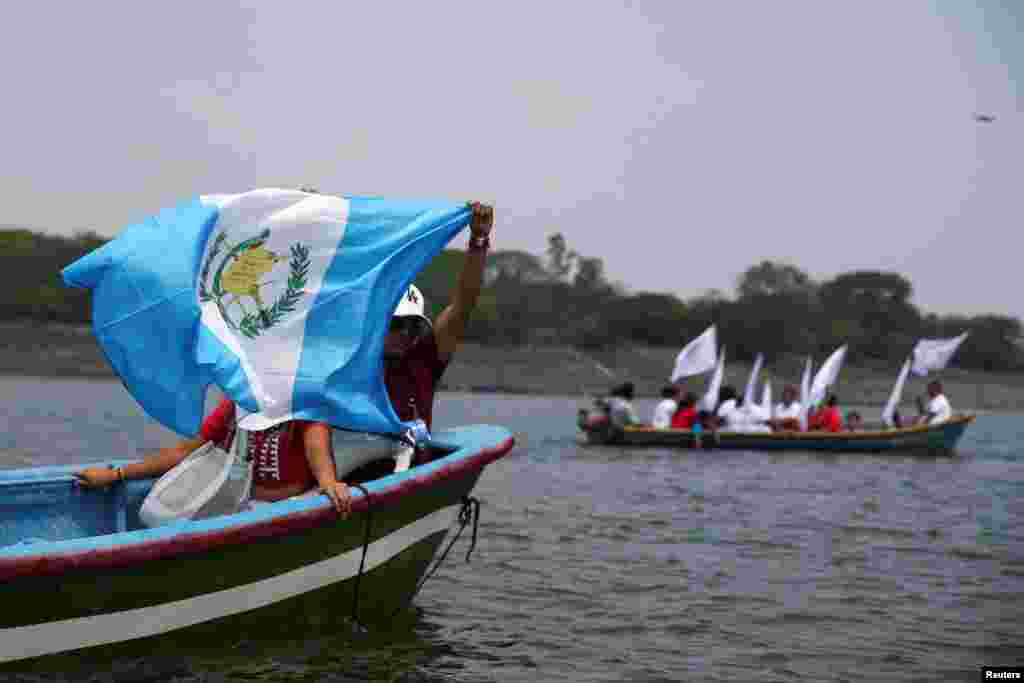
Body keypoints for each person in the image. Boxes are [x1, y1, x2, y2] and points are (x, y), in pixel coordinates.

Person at [75, 202, 496, 509]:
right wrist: (116, 475)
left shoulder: (423, 360)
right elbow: (198, 448)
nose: (403, 335)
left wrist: (477, 241)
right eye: (394, 325)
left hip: (389, 481)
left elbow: (463, 304)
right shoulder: (335, 368)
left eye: (411, 327)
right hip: (336, 491)